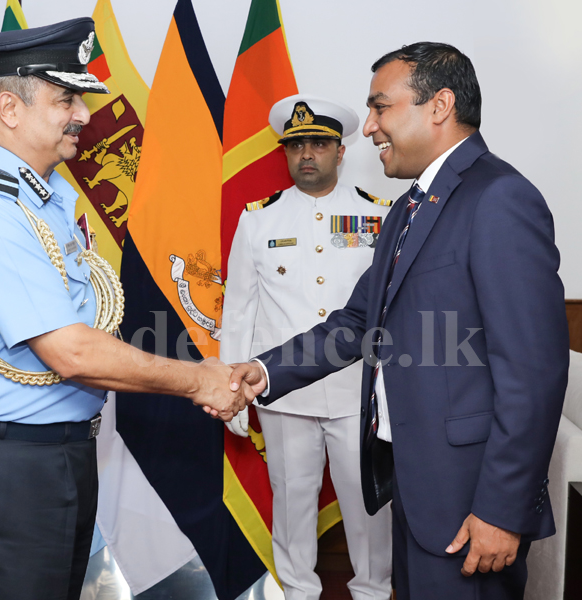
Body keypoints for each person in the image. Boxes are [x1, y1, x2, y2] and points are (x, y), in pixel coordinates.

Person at [0, 18, 252, 600]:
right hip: (7, 468)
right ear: (10, 109)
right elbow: (71, 351)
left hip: (54, 456)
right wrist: (199, 379)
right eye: (65, 98)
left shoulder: (44, 203)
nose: (83, 113)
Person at [229, 42, 570, 599]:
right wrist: (261, 374)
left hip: (470, 504)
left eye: (380, 108)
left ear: (438, 106)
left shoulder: (498, 197)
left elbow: (534, 371)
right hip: (414, 484)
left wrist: (504, 510)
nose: (367, 128)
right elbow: (357, 322)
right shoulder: (410, 207)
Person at [221, 95, 393, 600]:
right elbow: (240, 312)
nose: (307, 155)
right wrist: (234, 389)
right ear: (285, 154)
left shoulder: (379, 217)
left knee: (368, 507)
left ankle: (373, 592)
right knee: (292, 503)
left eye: (319, 144)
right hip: (285, 396)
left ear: (341, 151)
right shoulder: (257, 220)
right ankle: (297, 592)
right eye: (297, 146)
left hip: (355, 392)